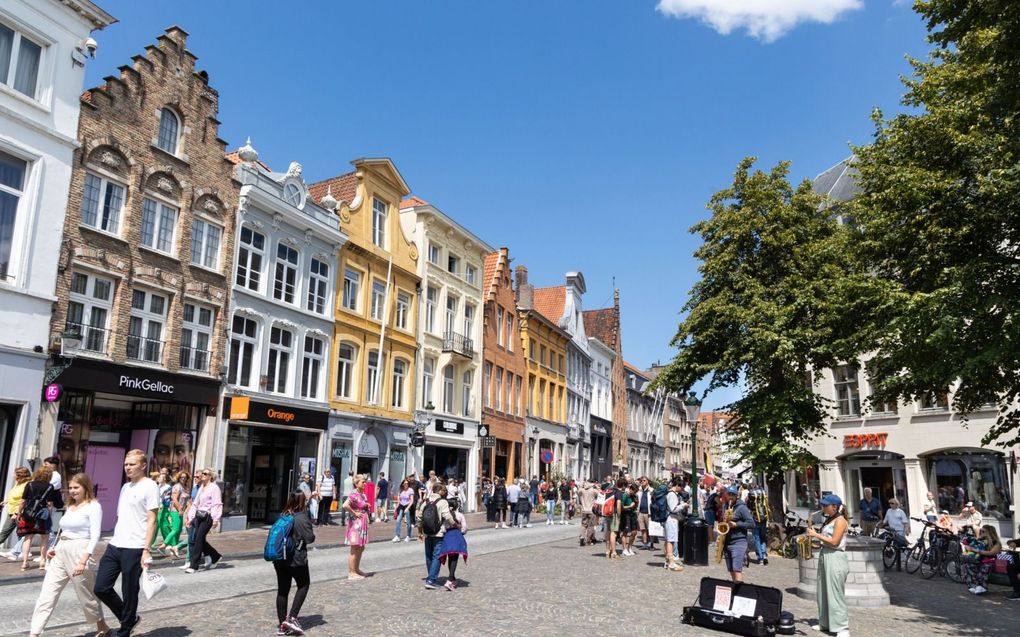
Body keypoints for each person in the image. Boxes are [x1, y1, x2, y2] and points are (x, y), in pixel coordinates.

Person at [29, 473, 111, 637]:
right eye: (71, 488)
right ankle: (34, 633)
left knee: (86, 595)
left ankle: (102, 626)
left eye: (76, 488)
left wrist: (83, 560)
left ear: (85, 487)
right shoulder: (70, 506)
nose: (72, 491)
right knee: (47, 594)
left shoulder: (93, 506)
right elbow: (63, 530)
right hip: (61, 550)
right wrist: (55, 547)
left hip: (80, 550)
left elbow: (95, 536)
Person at [94, 449, 158, 637]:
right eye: (125, 465)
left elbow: (152, 520)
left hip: (136, 546)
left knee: (130, 591)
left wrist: (146, 549)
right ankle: (129, 618)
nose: (127, 468)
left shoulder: (150, 486)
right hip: (116, 544)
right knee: (101, 587)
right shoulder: (125, 487)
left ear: (143, 466)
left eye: (131, 464)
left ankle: (124, 631)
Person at [806, 494, 850, 637]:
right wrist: (813, 544)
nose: (823, 507)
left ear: (834, 507)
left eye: (825, 505)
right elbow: (826, 541)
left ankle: (842, 627)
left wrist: (815, 534)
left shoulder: (840, 520)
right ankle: (825, 622)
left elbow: (835, 541)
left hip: (836, 557)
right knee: (823, 590)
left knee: (835, 593)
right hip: (826, 554)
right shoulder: (829, 520)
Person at [272, 490, 315, 636]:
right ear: (302, 501)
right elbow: (309, 538)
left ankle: (282, 625)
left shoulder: (284, 515)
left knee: (282, 590)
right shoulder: (301, 517)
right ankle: (292, 617)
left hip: (279, 558)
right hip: (296, 559)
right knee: (303, 584)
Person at [17, 466, 59, 571]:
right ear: (48, 475)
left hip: (28, 514)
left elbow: (23, 501)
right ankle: (42, 562)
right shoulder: (50, 486)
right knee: (44, 539)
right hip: (42, 516)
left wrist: (18, 513)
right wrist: (48, 515)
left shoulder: (30, 484)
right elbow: (49, 504)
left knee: (27, 538)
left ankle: (25, 563)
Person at [417, 482, 457, 589]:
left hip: (427, 532)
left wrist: (420, 532)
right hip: (438, 533)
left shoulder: (426, 501)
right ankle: (431, 580)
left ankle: (431, 576)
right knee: (437, 556)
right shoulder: (442, 501)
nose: (445, 492)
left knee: (429, 555)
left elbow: (419, 517)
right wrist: (455, 524)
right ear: (439, 491)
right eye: (443, 490)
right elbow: (447, 515)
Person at [184, 467, 223, 574]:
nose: (203, 475)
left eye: (205, 474)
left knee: (198, 538)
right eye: (203, 474)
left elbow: (217, 504)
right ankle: (215, 556)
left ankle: (194, 565)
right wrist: (190, 517)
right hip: (198, 516)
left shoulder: (214, 488)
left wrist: (216, 519)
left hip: (208, 517)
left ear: (210, 476)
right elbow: (195, 503)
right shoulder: (201, 487)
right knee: (198, 538)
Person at [719, 486, 755, 582]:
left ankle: (740, 592)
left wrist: (736, 524)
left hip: (739, 541)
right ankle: (735, 589)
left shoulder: (742, 508)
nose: (730, 497)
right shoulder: (725, 506)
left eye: (733, 495)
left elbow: (751, 524)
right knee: (731, 570)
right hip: (727, 541)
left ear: (737, 496)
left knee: (737, 569)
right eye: (729, 494)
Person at [343, 474, 370, 580]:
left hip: (362, 523)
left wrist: (366, 505)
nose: (365, 483)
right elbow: (345, 505)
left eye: (365, 481)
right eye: (362, 482)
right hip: (355, 524)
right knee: (354, 547)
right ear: (356, 483)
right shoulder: (354, 494)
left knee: (361, 547)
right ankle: (351, 572)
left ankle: (357, 569)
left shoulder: (362, 494)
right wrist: (355, 513)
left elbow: (361, 504)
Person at [960, 524, 1001, 595]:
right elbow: (970, 545)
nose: (981, 532)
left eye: (983, 531)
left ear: (990, 532)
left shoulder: (996, 543)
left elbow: (990, 553)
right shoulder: (979, 540)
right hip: (978, 559)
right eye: (980, 531)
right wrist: (969, 546)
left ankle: (982, 586)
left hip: (990, 561)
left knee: (985, 566)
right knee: (967, 565)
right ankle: (973, 585)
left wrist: (975, 550)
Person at [439, 497, 468, 590]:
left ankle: (452, 579)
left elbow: (442, 529)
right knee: (454, 559)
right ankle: (449, 580)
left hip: (447, 537)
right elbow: (464, 529)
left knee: (450, 558)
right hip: (457, 537)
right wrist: (461, 531)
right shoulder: (460, 515)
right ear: (456, 506)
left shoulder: (445, 516)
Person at [0, 467, 31, 556]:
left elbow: (24, 500)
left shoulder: (27, 485)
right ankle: (23, 551)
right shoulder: (18, 483)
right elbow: (14, 495)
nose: (13, 476)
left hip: (19, 513)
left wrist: (17, 513)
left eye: (15, 474)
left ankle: (24, 551)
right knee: (20, 533)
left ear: (20, 475)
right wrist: (6, 501)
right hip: (11, 511)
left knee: (16, 532)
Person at [663, 477, 686, 572]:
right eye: (681, 487)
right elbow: (673, 509)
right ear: (677, 485)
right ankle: (671, 563)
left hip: (669, 518)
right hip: (671, 519)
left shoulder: (669, 493)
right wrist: (683, 505)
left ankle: (667, 561)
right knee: (671, 540)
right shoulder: (672, 494)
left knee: (668, 540)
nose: (682, 489)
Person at [747, 482, 771, 565]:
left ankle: (760, 558)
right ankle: (764, 555)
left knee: (756, 538)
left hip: (755, 519)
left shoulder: (751, 495)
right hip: (764, 518)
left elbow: (749, 507)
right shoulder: (763, 493)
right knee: (763, 537)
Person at [883, 498, 910, 568]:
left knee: (900, 546)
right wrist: (882, 524)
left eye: (892, 503)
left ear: (896, 504)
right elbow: (885, 520)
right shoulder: (888, 511)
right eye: (890, 503)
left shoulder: (900, 512)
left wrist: (906, 530)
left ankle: (903, 559)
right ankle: (895, 559)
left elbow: (905, 522)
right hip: (891, 531)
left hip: (899, 530)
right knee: (891, 545)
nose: (890, 505)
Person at [577, 479, 599, 546]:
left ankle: (582, 536)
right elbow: (600, 494)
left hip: (584, 510)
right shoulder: (593, 490)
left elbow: (578, 492)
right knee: (591, 526)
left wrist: (582, 486)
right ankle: (588, 540)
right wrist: (596, 486)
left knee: (584, 525)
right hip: (591, 510)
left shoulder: (582, 490)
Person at [620, 484, 638, 556]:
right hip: (625, 515)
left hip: (633, 515)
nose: (635, 493)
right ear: (630, 489)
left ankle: (629, 547)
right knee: (625, 532)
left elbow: (635, 506)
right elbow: (621, 507)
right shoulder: (625, 495)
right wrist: (630, 506)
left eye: (636, 491)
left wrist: (636, 504)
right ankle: (624, 549)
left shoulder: (635, 496)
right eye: (634, 491)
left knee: (634, 532)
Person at [635, 477, 653, 547]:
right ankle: (645, 543)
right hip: (641, 512)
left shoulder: (651, 490)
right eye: (641, 481)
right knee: (642, 529)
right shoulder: (639, 490)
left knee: (650, 529)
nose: (642, 482)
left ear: (648, 481)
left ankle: (651, 543)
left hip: (649, 512)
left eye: (644, 480)